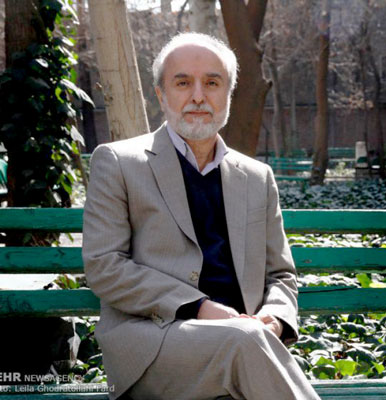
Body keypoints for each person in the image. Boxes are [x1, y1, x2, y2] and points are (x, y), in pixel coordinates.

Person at [83, 32, 320, 400]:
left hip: (247, 342)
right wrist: (200, 308)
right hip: (154, 345)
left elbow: (281, 275)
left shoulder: (257, 177)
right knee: (243, 342)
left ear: (228, 94)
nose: (198, 96)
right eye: (183, 83)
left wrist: (274, 318)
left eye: (212, 83)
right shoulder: (118, 163)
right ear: (161, 94)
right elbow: (104, 266)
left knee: (246, 341)